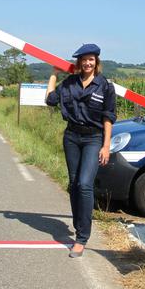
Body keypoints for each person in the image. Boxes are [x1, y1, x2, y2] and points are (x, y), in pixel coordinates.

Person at [45, 43, 116, 258]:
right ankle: (78, 225)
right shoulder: (70, 84)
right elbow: (50, 100)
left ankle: (82, 237)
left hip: (94, 138)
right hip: (72, 137)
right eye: (84, 59)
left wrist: (106, 145)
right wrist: (53, 75)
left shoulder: (104, 86)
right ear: (79, 62)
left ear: (96, 62)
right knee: (73, 183)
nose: (87, 63)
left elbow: (108, 117)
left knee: (85, 184)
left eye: (91, 59)